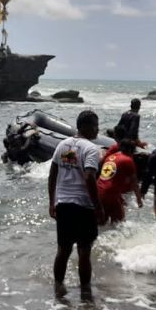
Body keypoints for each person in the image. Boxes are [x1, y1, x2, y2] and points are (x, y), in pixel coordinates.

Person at [48, 110, 104, 299]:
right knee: (84, 251)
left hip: (63, 204)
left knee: (63, 250)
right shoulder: (90, 149)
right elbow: (89, 176)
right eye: (96, 125)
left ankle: (58, 288)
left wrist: (52, 202)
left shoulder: (63, 145)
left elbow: (52, 174)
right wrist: (98, 206)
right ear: (87, 126)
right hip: (83, 206)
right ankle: (85, 293)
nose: (98, 129)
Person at [97, 138, 143, 225]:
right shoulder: (128, 160)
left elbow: (109, 178)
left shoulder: (111, 157)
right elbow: (134, 183)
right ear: (130, 150)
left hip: (99, 191)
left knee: (102, 222)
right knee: (119, 223)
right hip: (110, 194)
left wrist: (120, 198)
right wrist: (139, 199)